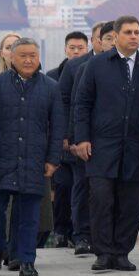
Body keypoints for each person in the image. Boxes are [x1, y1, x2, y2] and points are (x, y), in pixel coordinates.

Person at [73, 16, 139, 272]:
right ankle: (103, 252)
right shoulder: (96, 65)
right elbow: (82, 103)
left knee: (131, 202)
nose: (134, 36)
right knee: (102, 199)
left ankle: (121, 252)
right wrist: (81, 138)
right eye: (128, 32)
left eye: (137, 32)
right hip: (102, 145)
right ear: (115, 37)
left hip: (136, 146)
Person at [0, 38, 64, 276]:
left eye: (32, 56)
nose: (28, 60)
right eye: (22, 55)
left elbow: (57, 128)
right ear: (11, 58)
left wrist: (53, 159)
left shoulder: (51, 87)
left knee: (30, 215)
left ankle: (27, 260)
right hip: (1, 159)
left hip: (34, 160)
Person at [58, 22, 113, 257]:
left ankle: (106, 235)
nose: (108, 43)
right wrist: (69, 136)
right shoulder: (76, 66)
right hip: (83, 138)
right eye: (105, 38)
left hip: (111, 139)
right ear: (96, 41)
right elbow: (67, 102)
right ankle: (80, 234)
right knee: (81, 185)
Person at [44, 31, 88, 247]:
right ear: (65, 49)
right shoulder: (52, 75)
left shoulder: (90, 70)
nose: (76, 51)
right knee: (62, 187)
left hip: (80, 142)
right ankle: (61, 230)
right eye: (72, 47)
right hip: (60, 143)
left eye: (80, 48)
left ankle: (77, 232)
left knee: (78, 187)